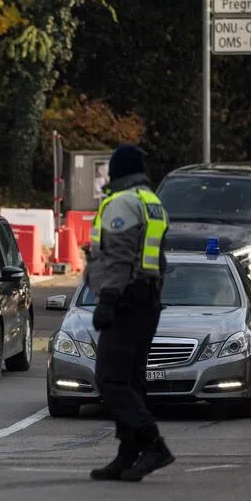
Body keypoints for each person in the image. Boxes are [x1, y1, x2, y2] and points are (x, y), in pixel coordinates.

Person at [84, 144, 174, 482]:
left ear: (117, 171)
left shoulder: (121, 203)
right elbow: (152, 258)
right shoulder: (152, 201)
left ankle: (153, 443)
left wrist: (108, 299)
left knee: (110, 380)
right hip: (147, 301)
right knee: (132, 381)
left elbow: (121, 257)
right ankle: (128, 454)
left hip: (125, 302)